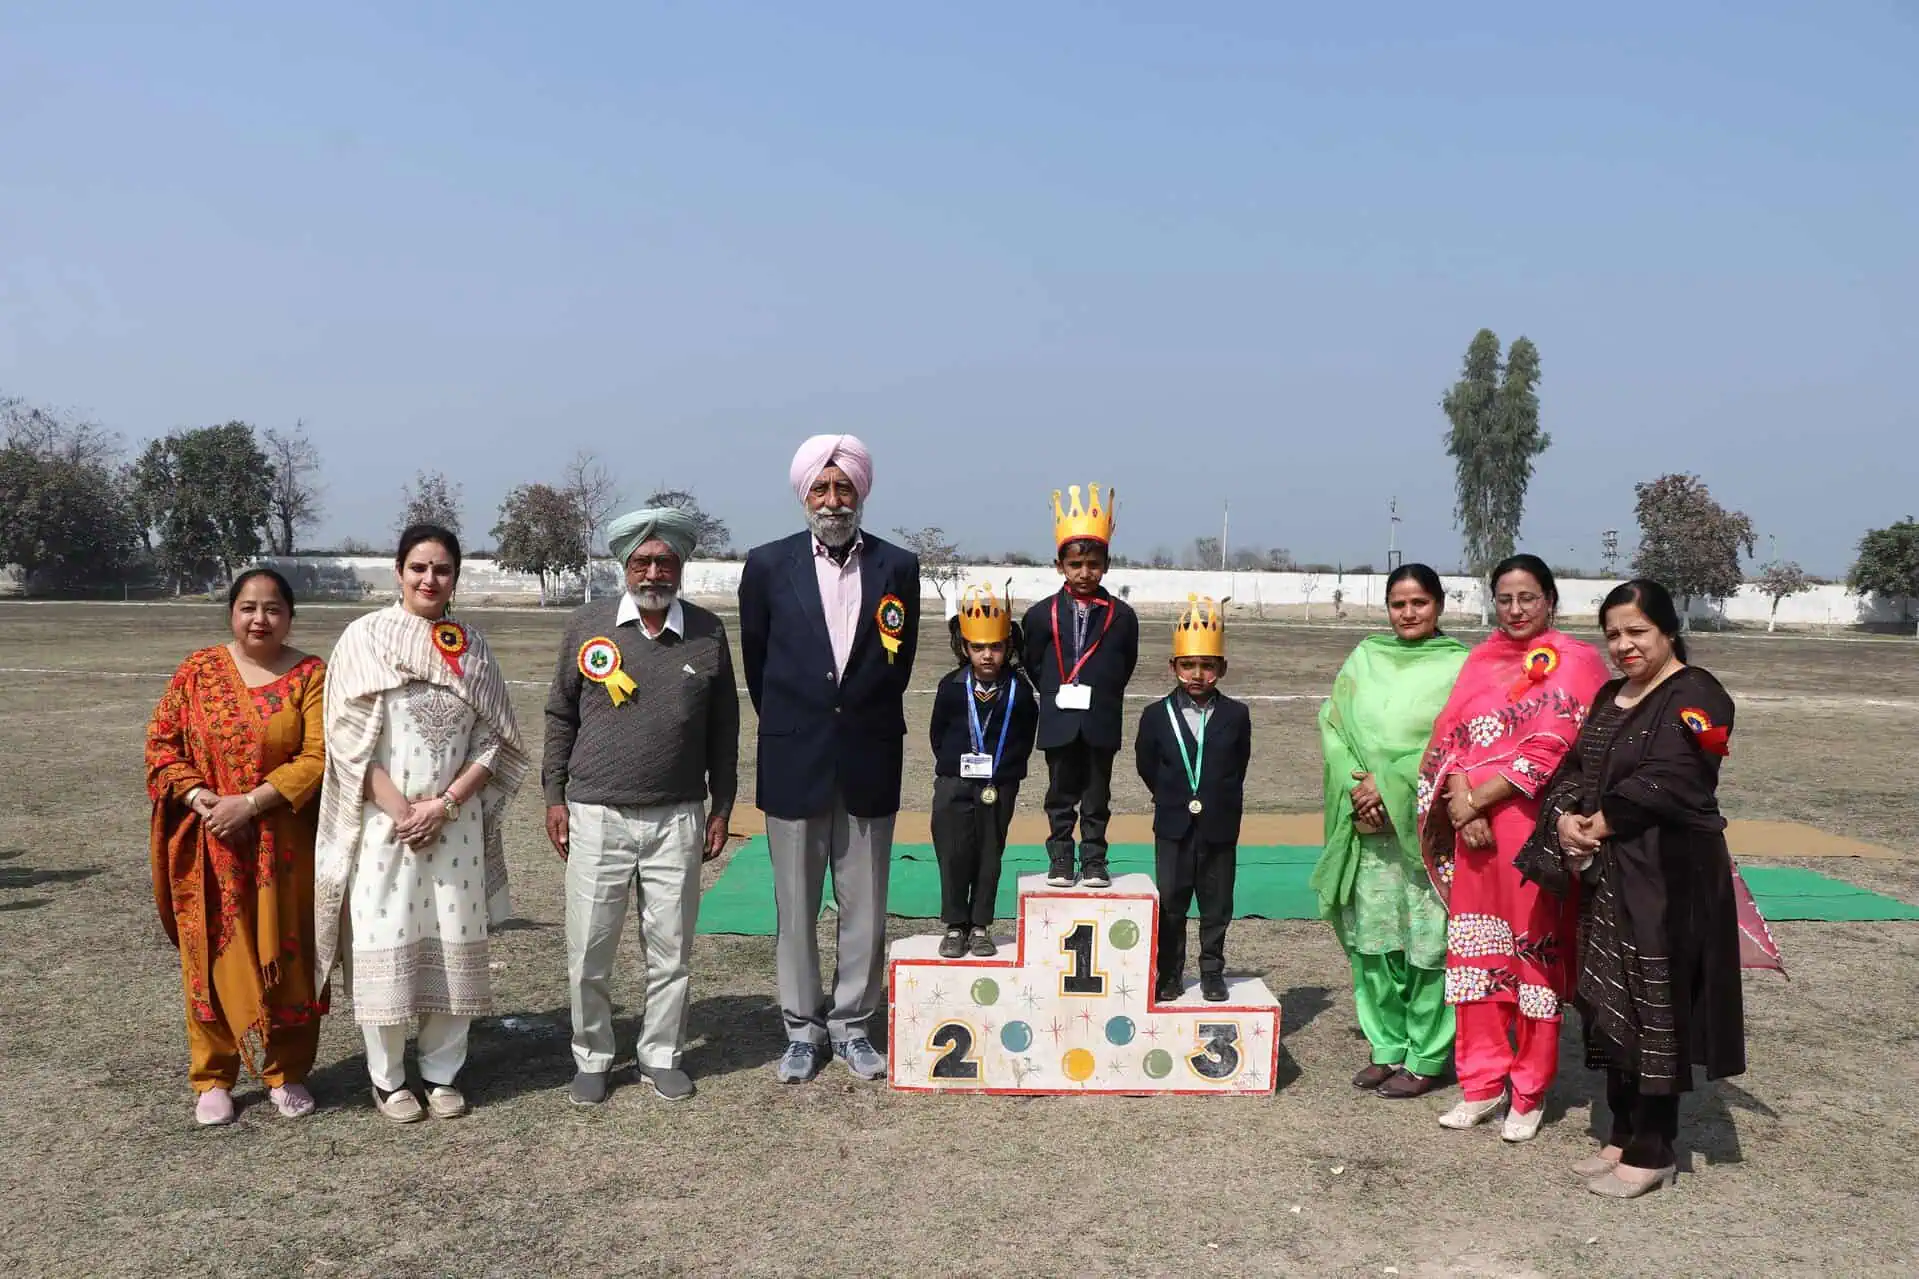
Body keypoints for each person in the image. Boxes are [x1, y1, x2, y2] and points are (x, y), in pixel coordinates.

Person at [1517, 579, 1747, 1198]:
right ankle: (1621, 1133)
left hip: (1666, 877)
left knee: (1654, 1003)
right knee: (1608, 1000)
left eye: (1637, 631)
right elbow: (1574, 768)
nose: (1624, 645)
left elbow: (1675, 779)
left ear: (1668, 630)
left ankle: (1654, 1148)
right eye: (1613, 634)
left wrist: (1598, 823)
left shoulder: (1697, 694)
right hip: (1607, 874)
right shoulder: (1609, 695)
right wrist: (1564, 819)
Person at [314, 524, 530, 1123]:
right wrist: (405, 812)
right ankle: (386, 1080)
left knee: (453, 938)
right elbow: (347, 741)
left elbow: (495, 741)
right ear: (399, 572)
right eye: (418, 568)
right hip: (386, 827)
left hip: (454, 826)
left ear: (455, 578)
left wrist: (445, 805)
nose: (429, 580)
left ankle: (442, 1072)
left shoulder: (472, 647)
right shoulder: (364, 638)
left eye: (442, 569)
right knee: (384, 939)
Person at [738, 435, 920, 1083]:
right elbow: (757, 664)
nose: (833, 499)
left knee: (864, 905)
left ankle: (852, 1025)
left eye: (844, 487)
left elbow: (896, 665)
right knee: (795, 907)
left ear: (861, 492)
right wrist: (800, 722)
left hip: (869, 755)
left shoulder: (898, 566)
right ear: (804, 494)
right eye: (821, 487)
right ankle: (801, 1029)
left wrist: (854, 718)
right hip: (796, 759)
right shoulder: (767, 565)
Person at [544, 506, 740, 1106]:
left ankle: (661, 1055)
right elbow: (560, 714)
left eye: (665, 561)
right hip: (596, 814)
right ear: (625, 567)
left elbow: (724, 729)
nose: (653, 573)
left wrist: (722, 805)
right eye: (642, 562)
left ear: (680, 566)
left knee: (671, 950)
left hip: (677, 815)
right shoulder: (588, 625)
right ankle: (593, 1056)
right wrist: (554, 796)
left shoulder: (708, 632)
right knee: (589, 950)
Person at [1417, 553, 1608, 1141]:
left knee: (1532, 955)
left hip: (1533, 836)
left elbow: (1555, 748)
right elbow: (1451, 738)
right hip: (1474, 837)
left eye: (1528, 598)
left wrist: (1478, 799)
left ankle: (1529, 1090)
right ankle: (1480, 1083)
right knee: (1475, 955)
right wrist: (1460, 800)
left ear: (1550, 600)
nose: (1516, 609)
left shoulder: (1577, 662)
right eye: (1505, 599)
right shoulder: (1481, 661)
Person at [145, 569, 328, 1125]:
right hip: (210, 844)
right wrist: (200, 798)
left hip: (283, 845)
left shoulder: (310, 675)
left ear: (290, 616)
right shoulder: (198, 671)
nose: (260, 619)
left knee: (287, 954)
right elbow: (162, 745)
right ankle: (214, 1075)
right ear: (231, 612)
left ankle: (286, 1070)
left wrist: (248, 804)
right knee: (211, 953)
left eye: (273, 609)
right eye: (248, 607)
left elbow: (318, 756)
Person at [1313, 563, 1469, 1099]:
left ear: (1439, 605)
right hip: (1366, 825)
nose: (1408, 613)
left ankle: (1427, 1054)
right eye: (1398, 604)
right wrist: (1358, 787)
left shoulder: (1460, 666)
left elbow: (1457, 740)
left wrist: (1391, 782)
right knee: (1374, 941)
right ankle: (1386, 1045)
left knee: (1428, 943)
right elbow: (1333, 724)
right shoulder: (1364, 657)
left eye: (1419, 602)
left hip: (1423, 828)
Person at [1134, 596, 1251, 1003]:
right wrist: (1173, 797)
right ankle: (1170, 973)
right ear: (1173, 667)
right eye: (1188, 665)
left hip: (1219, 824)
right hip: (1173, 826)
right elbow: (1147, 764)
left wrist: (1215, 797)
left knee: (1216, 903)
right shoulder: (1155, 715)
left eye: (1207, 665)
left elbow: (1238, 765)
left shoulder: (1236, 715)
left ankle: (1212, 971)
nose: (1197, 674)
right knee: (1172, 902)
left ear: (1222, 668)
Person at [1022, 484, 1138, 889]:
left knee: (1096, 796)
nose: (1084, 573)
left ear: (1106, 564)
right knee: (1059, 794)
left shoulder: (1122, 616)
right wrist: (1057, 691)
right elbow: (1033, 662)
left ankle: (1093, 860)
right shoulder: (1040, 615)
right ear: (1059, 566)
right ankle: (1060, 858)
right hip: (1059, 719)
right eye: (1075, 565)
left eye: (1093, 564)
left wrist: (1098, 691)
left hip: (1100, 718)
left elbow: (1124, 665)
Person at [929, 583, 1038, 958]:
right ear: (964, 647)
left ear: (1008, 646)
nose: (987, 655)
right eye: (978, 647)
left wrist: (1003, 772)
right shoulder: (950, 686)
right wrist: (956, 767)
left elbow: (1025, 737)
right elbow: (938, 734)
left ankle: (980, 925)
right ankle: (955, 925)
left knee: (989, 855)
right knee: (953, 853)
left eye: (995, 647)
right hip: (954, 783)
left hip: (997, 787)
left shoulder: (1019, 691)